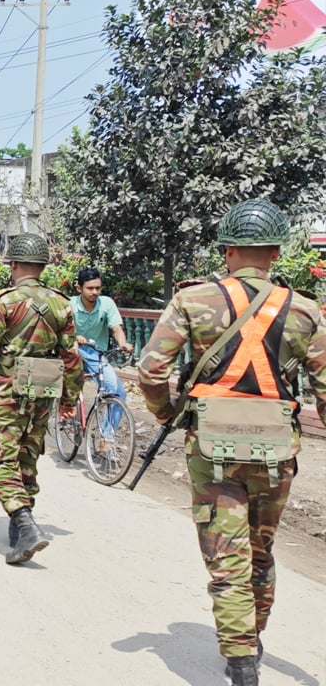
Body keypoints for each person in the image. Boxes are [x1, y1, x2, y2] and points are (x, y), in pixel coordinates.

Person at [138, 198, 326, 685]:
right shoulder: (306, 310)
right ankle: (251, 637)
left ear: (226, 252)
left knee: (227, 554)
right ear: (276, 253)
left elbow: (152, 368)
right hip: (276, 452)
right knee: (260, 551)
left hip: (212, 448)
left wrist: (167, 413)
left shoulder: (192, 300)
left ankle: (241, 662)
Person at [0, 233, 82, 565]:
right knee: (27, 455)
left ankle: (25, 522)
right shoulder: (62, 303)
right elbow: (72, 358)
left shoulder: (3, 302)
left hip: (7, 389)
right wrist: (69, 399)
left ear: (15, 265)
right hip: (43, 390)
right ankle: (19, 530)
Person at [70, 267, 135, 449]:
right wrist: (75, 337)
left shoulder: (106, 303)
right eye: (90, 288)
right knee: (70, 387)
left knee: (118, 392)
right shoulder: (70, 305)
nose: (95, 292)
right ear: (79, 288)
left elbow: (116, 328)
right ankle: (66, 413)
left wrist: (123, 343)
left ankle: (107, 437)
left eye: (98, 288)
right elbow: (63, 330)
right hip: (72, 351)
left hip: (95, 353)